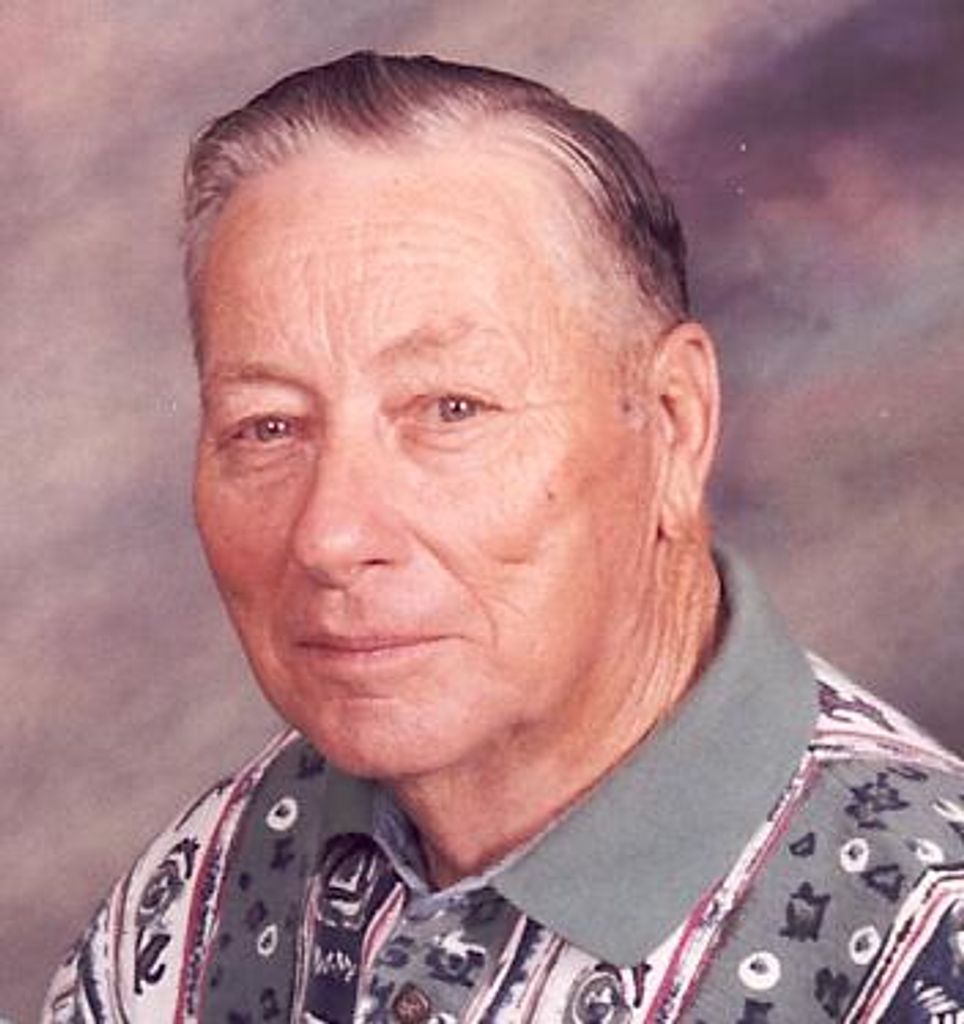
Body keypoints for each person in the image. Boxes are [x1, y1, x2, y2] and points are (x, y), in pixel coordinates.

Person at [43, 52, 964, 1023]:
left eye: (451, 409)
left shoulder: (925, 948)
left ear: (672, 423)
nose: (330, 535)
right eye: (267, 426)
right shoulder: (190, 902)